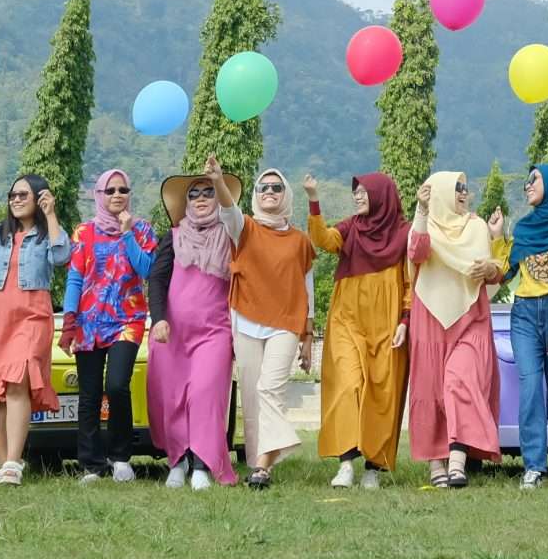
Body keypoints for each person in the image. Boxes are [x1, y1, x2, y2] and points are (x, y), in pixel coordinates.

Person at [0, 174, 70, 485]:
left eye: (23, 195)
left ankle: (12, 463)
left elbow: (62, 257)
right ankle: (3, 461)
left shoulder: (48, 234)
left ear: (39, 198)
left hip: (32, 314)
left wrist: (50, 214)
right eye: (12, 195)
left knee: (18, 380)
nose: (16, 200)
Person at [304, 170, 410, 489]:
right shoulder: (351, 228)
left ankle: (373, 468)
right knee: (347, 386)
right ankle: (346, 464)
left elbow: (410, 283)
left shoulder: (404, 234)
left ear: (381, 196)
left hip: (387, 324)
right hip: (347, 320)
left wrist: (405, 321)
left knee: (381, 393)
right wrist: (313, 200)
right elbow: (323, 240)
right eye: (356, 192)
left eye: (364, 192)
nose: (358, 197)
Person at [405, 170, 505, 489]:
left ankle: (458, 461)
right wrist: (421, 211)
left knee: (461, 380)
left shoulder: (476, 226)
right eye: (456, 188)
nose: (463, 193)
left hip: (471, 316)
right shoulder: (426, 226)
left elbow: (494, 272)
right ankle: (436, 464)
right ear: (440, 193)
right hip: (430, 318)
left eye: (465, 187)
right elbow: (417, 253)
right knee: (429, 390)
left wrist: (490, 268)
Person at [148, 160, 244, 490]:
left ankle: (203, 464)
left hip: (214, 332)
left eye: (208, 192)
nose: (201, 198)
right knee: (173, 398)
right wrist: (159, 318)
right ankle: (178, 461)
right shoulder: (173, 236)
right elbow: (157, 280)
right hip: (171, 334)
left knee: (205, 394)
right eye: (194, 194)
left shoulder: (231, 236)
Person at [62, 169, 157, 484]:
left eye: (123, 190)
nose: (117, 195)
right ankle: (92, 465)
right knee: (89, 394)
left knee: (116, 385)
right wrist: (69, 321)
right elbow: (75, 278)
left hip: (127, 320)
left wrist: (127, 234)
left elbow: (147, 270)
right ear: (99, 195)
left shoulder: (142, 229)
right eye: (110, 190)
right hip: (89, 321)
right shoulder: (84, 232)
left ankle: (121, 458)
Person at [494, 161, 548, 488]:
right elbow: (505, 274)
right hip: (525, 314)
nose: (527, 185)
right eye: (526, 181)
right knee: (531, 388)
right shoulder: (524, 229)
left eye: (535, 179)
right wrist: (498, 238)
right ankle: (533, 465)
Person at [232, 168, 317, 489]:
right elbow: (227, 210)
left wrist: (307, 337)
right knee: (251, 394)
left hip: (286, 322)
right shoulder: (244, 228)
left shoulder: (300, 241)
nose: (269, 191)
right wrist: (216, 181)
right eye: (263, 187)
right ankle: (258, 461)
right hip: (246, 319)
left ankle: (264, 467)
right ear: (256, 194)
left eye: (276, 187)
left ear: (286, 194)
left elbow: (307, 290)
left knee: (271, 389)